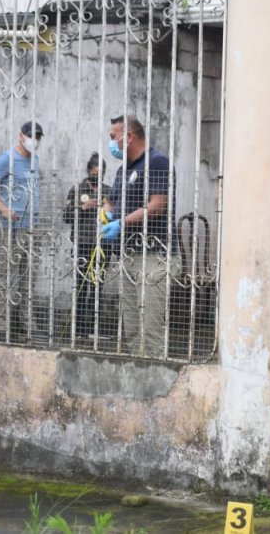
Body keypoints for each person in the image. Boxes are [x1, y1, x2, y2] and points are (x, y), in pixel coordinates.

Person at [100, 115, 179, 358]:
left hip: (154, 256)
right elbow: (110, 201)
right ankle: (137, 384)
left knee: (150, 330)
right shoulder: (124, 169)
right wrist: (105, 215)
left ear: (129, 136)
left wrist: (121, 223)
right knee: (132, 329)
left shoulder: (157, 162)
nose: (112, 143)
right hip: (130, 255)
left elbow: (157, 205)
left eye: (114, 137)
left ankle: (154, 388)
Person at [0, 121, 44, 342]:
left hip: (32, 227)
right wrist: (2, 207)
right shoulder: (8, 158)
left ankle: (27, 325)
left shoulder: (34, 159)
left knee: (29, 278)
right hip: (12, 228)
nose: (34, 140)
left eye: (38, 136)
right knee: (6, 275)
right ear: (21, 136)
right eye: (31, 135)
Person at [63, 152, 109, 339]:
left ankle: (93, 328)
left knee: (97, 286)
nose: (98, 177)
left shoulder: (108, 191)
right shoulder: (77, 190)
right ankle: (80, 329)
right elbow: (66, 217)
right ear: (89, 171)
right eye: (95, 173)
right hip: (82, 244)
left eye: (102, 173)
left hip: (102, 246)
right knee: (81, 286)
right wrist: (83, 208)